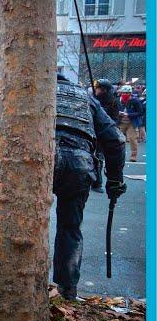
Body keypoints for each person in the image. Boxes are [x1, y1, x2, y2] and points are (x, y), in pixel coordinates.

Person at [53, 75, 126, 300]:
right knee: (70, 226)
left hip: (40, 157)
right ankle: (68, 289)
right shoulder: (86, 98)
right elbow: (115, 140)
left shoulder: (31, 90)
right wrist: (114, 180)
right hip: (80, 163)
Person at [91, 79, 120, 193]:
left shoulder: (113, 101)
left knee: (99, 158)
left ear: (104, 90)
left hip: (104, 132)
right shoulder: (94, 99)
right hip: (92, 131)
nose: (96, 90)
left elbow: (114, 119)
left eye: (98, 88)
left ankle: (97, 183)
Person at [117, 84, 142, 162]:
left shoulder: (135, 101)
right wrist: (117, 113)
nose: (125, 94)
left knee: (132, 139)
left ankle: (133, 156)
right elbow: (113, 110)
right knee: (117, 139)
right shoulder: (117, 100)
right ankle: (117, 154)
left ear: (130, 93)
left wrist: (129, 114)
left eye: (127, 93)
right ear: (121, 93)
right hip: (120, 122)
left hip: (131, 123)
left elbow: (140, 112)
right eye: (123, 92)